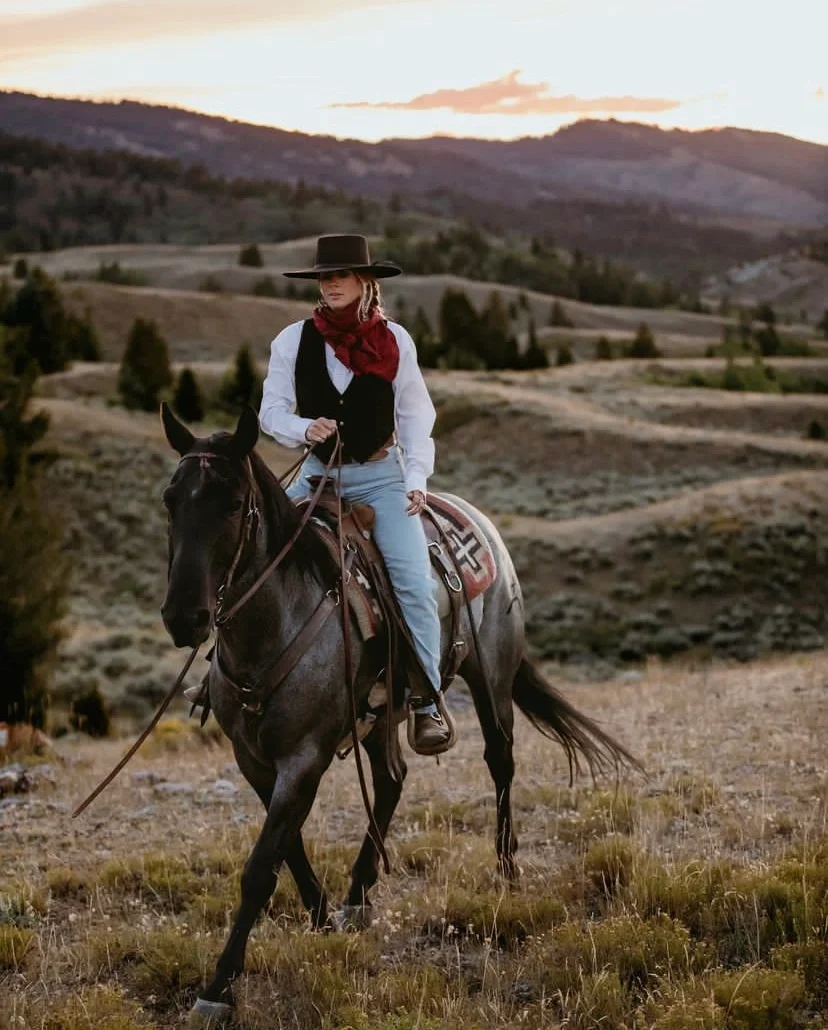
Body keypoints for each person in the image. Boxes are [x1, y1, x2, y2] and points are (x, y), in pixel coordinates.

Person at [258, 234, 453, 756]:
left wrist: (416, 479)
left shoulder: (395, 341)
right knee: (260, 557)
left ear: (366, 282)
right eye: (325, 276)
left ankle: (427, 702)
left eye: (341, 274)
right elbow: (270, 412)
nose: (331, 283)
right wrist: (303, 428)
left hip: (382, 476)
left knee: (413, 582)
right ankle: (223, 676)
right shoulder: (291, 340)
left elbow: (416, 416)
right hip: (319, 474)